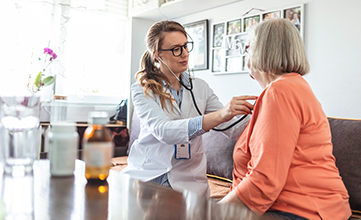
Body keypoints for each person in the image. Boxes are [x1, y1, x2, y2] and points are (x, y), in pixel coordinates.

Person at [219, 18, 352, 220]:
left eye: (248, 47)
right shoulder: (292, 87)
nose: (246, 53)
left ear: (262, 51)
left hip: (302, 210)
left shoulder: (279, 92)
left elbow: (264, 180)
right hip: (311, 208)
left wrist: (211, 212)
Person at [121, 20, 257, 197]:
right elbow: (164, 131)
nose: (185, 54)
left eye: (186, 46)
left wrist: (260, 119)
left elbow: (231, 127)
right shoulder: (142, 89)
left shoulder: (200, 88)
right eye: (176, 49)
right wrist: (222, 114)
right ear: (157, 55)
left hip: (188, 182)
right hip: (149, 175)